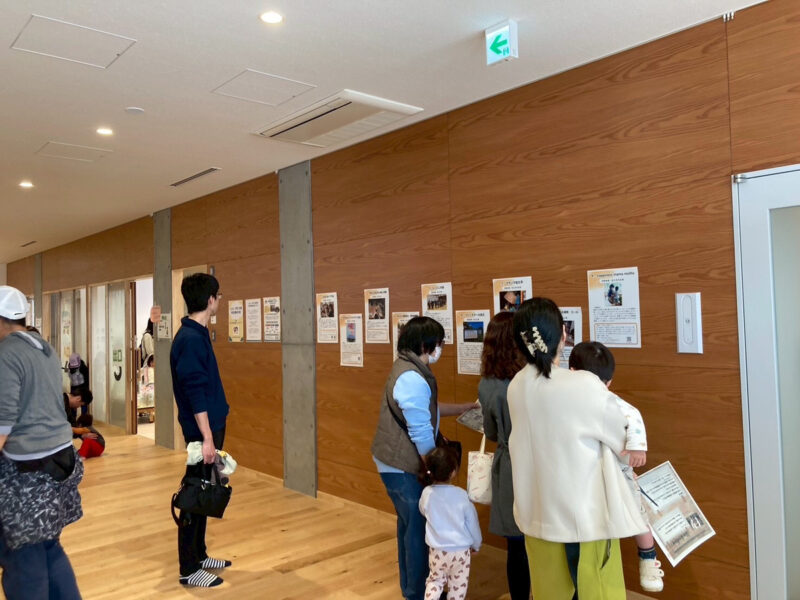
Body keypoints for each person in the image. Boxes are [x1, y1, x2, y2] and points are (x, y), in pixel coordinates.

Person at [508, 298, 647, 599]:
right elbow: (623, 441)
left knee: (548, 592)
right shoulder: (583, 384)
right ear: (563, 334)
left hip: (535, 516)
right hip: (583, 521)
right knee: (597, 591)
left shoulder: (516, 386)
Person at [371, 316, 476, 600]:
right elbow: (420, 429)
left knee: (408, 526)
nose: (440, 348)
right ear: (424, 344)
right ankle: (419, 593)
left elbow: (429, 408)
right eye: (439, 343)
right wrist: (436, 470)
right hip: (403, 465)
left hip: (392, 463)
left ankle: (412, 590)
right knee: (418, 531)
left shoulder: (405, 369)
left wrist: (463, 408)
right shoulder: (412, 378)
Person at [0, 285, 83, 600]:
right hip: (61, 463)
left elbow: (3, 423)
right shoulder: (43, 347)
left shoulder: (6, 353)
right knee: (48, 545)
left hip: (28, 473)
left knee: (23, 556)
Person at [568, 341, 664, 593]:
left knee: (638, 515)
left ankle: (648, 557)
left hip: (615, 473)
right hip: (589, 476)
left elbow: (634, 418)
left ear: (572, 370)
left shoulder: (614, 403)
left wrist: (638, 448)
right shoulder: (568, 400)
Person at [170, 273, 231, 588]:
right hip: (201, 432)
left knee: (206, 489)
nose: (220, 300)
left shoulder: (196, 333)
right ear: (210, 300)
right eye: (218, 295)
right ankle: (189, 568)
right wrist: (207, 437)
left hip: (209, 428)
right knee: (195, 494)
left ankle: (200, 554)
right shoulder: (191, 339)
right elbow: (195, 392)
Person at [478, 311, 530, 600]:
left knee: (516, 544)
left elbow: (491, 433)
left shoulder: (487, 384)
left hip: (508, 466)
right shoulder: (529, 379)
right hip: (535, 463)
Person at [418, 446, 482, 600]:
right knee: (458, 587)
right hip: (461, 552)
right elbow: (472, 523)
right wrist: (476, 544)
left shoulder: (427, 493)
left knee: (435, 581)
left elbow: (422, 510)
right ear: (453, 472)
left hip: (437, 551)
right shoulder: (462, 495)